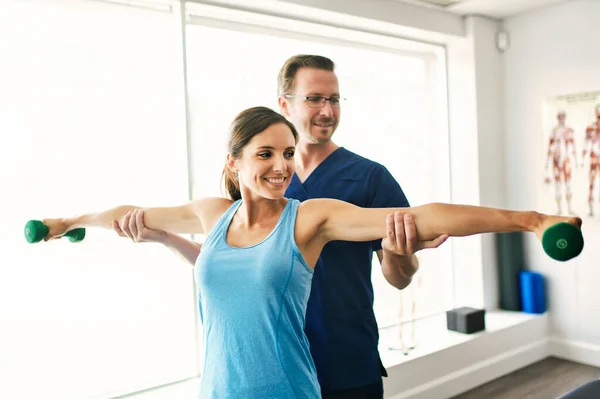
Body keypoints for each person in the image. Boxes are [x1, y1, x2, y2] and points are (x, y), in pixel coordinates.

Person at [40, 106, 581, 399]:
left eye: (289, 154)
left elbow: (424, 216)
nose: (282, 166)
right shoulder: (212, 214)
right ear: (234, 163)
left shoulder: (309, 218)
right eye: (266, 153)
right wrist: (69, 222)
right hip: (220, 390)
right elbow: (132, 212)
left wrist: (531, 221)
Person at [115, 54, 445, 399]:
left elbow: (400, 277)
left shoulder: (369, 178)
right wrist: (166, 239)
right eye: (314, 99)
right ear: (284, 105)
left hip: (345, 362)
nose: (327, 111)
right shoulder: (260, 184)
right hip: (271, 368)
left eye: (334, 100)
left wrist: (397, 252)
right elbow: (238, 270)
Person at [544, 110, 577, 215]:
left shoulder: (569, 130)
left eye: (563, 116)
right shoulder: (554, 131)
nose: (561, 119)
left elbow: (573, 146)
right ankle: (559, 209)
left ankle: (570, 208)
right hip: (556, 160)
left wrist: (576, 160)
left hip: (566, 160)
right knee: (557, 185)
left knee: (568, 184)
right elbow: (550, 146)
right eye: (560, 117)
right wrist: (547, 162)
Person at [581, 104, 600, 216]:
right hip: (594, 157)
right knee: (591, 183)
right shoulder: (590, 128)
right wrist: (582, 159)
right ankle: (591, 209)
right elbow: (585, 143)